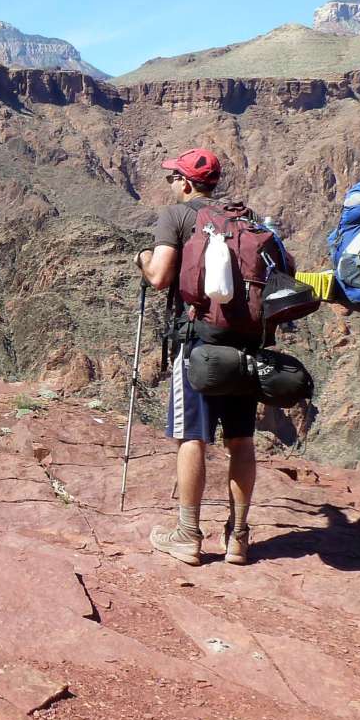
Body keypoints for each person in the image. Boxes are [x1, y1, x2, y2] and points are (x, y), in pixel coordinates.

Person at [135, 147, 257, 566]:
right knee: (241, 439)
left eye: (173, 177)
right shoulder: (242, 216)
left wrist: (143, 258)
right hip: (246, 343)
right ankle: (237, 538)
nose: (171, 184)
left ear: (186, 183)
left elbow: (160, 277)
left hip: (200, 343)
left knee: (193, 437)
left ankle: (187, 535)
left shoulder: (177, 216)